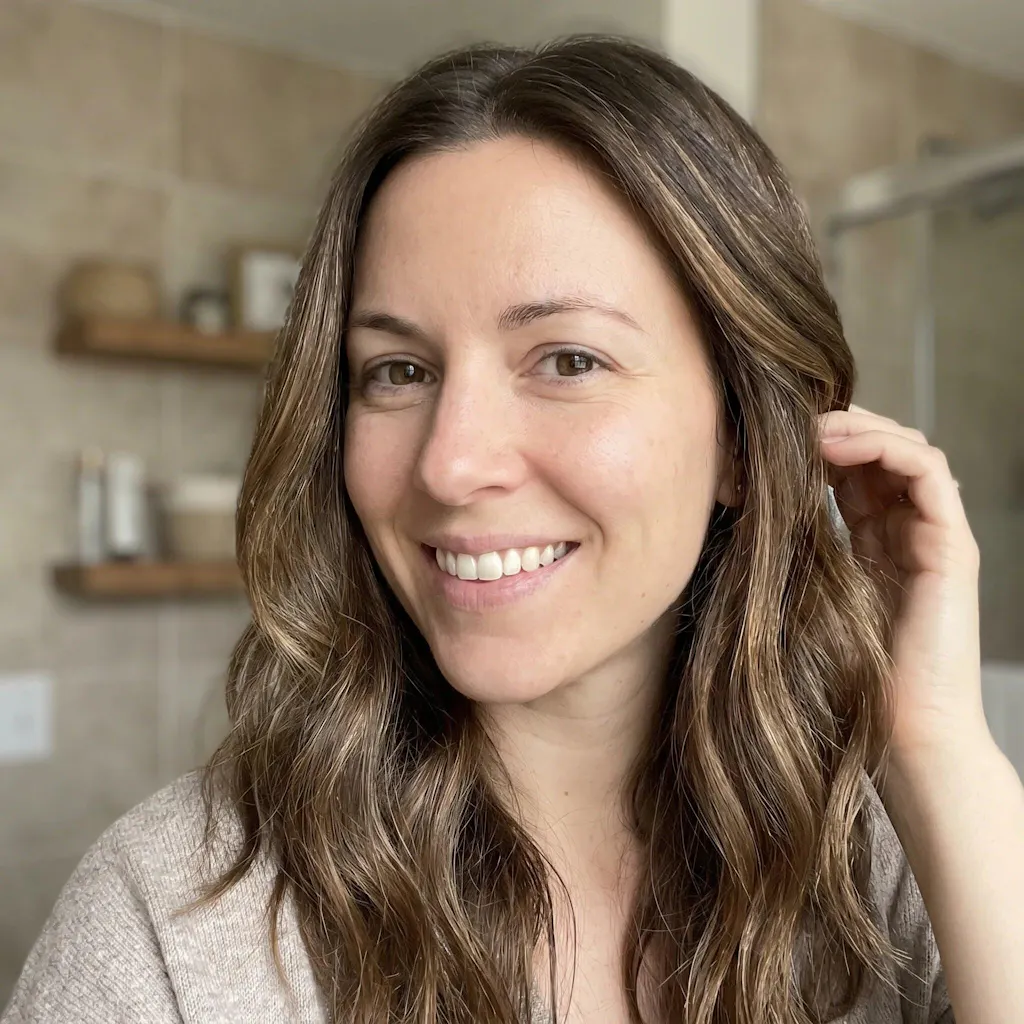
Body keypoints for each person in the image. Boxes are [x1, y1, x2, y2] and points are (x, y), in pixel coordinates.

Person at [3, 33, 1022, 1024]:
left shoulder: (888, 867)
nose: (449, 464)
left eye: (567, 360)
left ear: (743, 439)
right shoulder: (171, 925)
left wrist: (935, 745)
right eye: (398, 371)